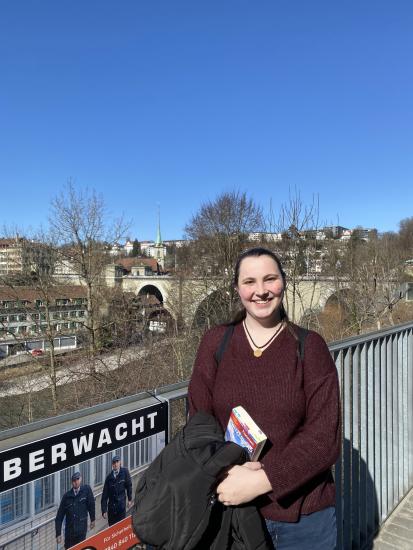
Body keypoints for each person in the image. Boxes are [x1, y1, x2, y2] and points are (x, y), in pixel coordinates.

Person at [188, 247, 341, 550]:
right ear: (237, 288)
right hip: (230, 509)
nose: (260, 291)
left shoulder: (310, 348)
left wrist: (262, 480)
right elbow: (198, 419)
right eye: (249, 282)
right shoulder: (216, 342)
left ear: (283, 282)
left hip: (301, 519)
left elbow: (324, 438)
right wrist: (226, 471)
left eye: (269, 279)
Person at [55, 471, 95, 549]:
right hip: (70, 533)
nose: (76, 482)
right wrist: (58, 533)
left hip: (81, 531)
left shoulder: (86, 490)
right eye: (74, 480)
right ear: (71, 482)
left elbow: (91, 505)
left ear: (80, 479)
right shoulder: (67, 497)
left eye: (77, 479)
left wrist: (93, 519)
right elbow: (59, 516)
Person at [101, 455, 133, 526]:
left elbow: (129, 486)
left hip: (121, 507)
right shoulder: (109, 478)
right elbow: (104, 495)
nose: (115, 464)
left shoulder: (125, 472)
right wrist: (104, 510)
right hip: (111, 509)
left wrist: (130, 499)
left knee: (121, 528)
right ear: (112, 465)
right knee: (112, 530)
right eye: (114, 463)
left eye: (117, 462)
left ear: (120, 462)